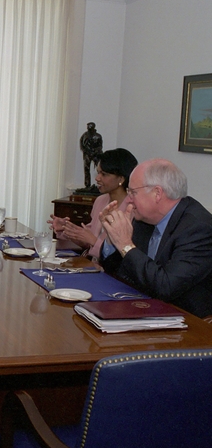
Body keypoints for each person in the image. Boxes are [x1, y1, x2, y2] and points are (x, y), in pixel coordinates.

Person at [98, 158, 212, 318]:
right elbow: (117, 270)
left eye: (133, 192)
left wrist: (125, 244)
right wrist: (113, 237)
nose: (129, 199)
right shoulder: (145, 219)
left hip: (185, 323)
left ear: (157, 193)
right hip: (142, 309)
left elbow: (166, 287)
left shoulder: (198, 229)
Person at [48, 148, 138, 258]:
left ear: (121, 179)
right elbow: (87, 239)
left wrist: (93, 241)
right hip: (91, 264)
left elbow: (124, 254)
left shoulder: (133, 208)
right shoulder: (100, 200)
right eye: (98, 172)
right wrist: (66, 228)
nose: (97, 178)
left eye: (103, 174)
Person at [80, 122, 103, 189]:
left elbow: (100, 146)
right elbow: (82, 145)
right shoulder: (84, 135)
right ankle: (87, 185)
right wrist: (86, 151)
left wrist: (94, 152)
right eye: (88, 126)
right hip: (87, 154)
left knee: (100, 169)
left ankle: (101, 184)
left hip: (96, 154)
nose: (88, 128)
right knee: (86, 169)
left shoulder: (98, 136)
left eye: (90, 127)